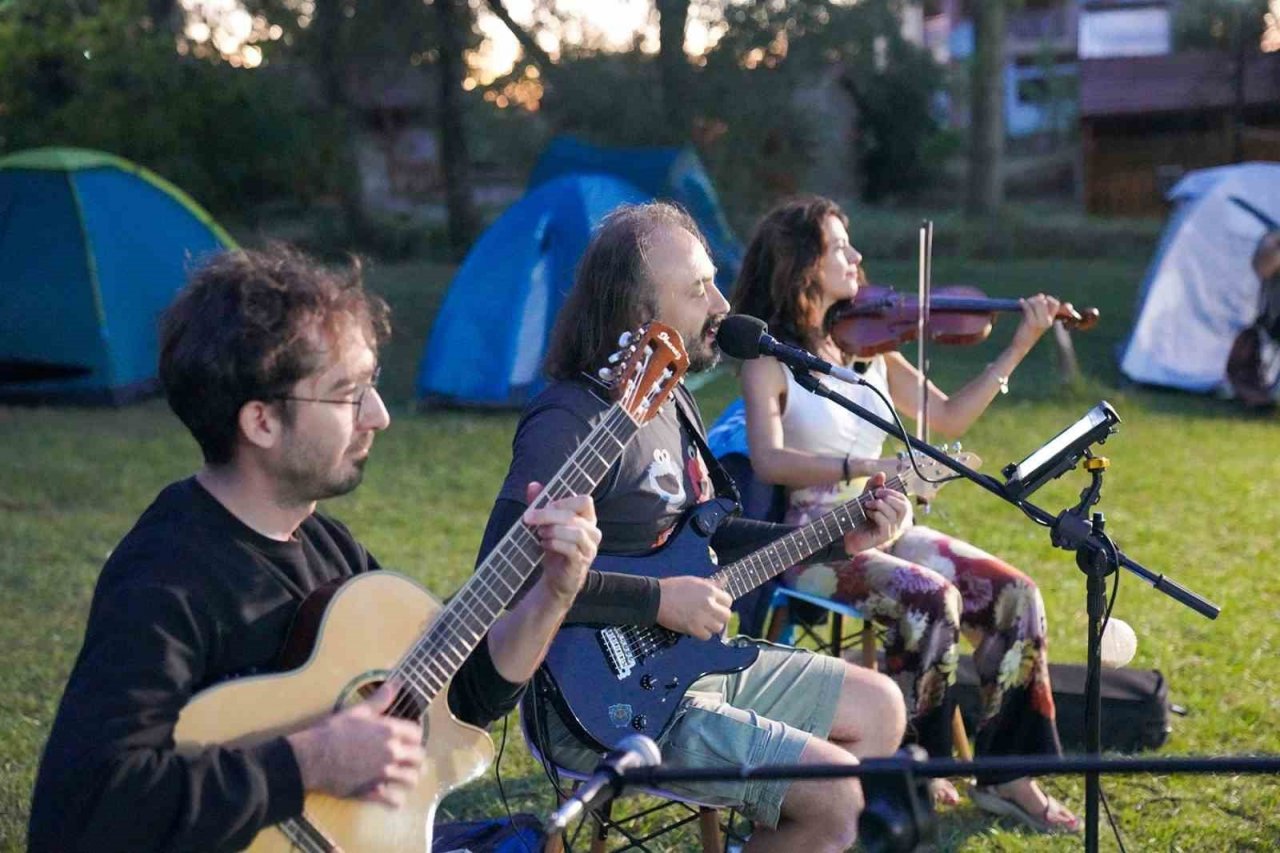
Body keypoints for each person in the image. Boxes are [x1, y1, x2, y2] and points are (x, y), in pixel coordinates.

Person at [28, 246, 602, 851]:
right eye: (348, 393)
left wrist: (553, 593)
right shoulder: (166, 579)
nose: (378, 415)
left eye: (371, 386)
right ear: (262, 423)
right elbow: (86, 812)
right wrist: (310, 762)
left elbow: (459, 698)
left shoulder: (328, 547)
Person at [476, 202, 914, 852]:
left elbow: (707, 532)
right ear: (638, 312)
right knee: (836, 794)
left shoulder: (669, 395)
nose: (720, 302)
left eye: (713, 280)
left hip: (686, 660)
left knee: (881, 707)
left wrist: (842, 533)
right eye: (696, 288)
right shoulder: (570, 420)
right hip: (595, 698)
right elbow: (501, 580)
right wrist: (657, 599)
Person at [730, 195, 1079, 834]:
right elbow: (770, 458)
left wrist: (1018, 348)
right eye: (841, 248)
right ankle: (915, 767)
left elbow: (944, 419)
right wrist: (865, 469)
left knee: (1016, 597)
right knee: (929, 599)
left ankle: (1007, 776)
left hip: (890, 526)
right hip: (813, 542)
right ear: (802, 265)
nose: (858, 258)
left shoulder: (873, 349)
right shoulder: (768, 358)